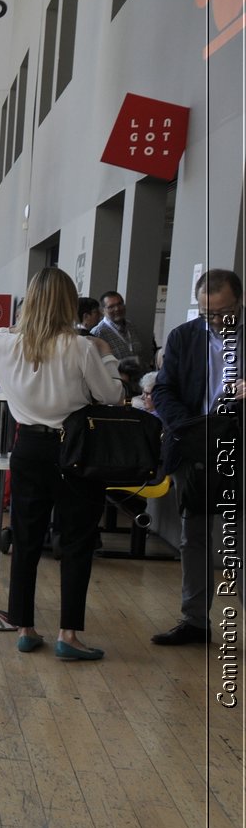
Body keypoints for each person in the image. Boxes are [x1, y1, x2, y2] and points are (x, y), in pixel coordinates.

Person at [0, 266, 122, 659]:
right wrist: (109, 357)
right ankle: (68, 634)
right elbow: (111, 395)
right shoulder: (82, 348)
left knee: (25, 537)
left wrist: (12, 331)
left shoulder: (3, 343)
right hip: (74, 450)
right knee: (76, 540)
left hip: (28, 448)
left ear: (29, 302)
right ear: (70, 303)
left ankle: (24, 626)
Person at [149, 269, 243, 646]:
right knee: (195, 536)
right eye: (208, 313)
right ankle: (195, 621)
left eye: (224, 312)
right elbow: (166, 389)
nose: (217, 320)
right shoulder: (183, 337)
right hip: (196, 446)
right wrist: (186, 427)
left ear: (240, 301)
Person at [93, 290, 154, 370]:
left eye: (120, 304)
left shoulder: (131, 326)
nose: (117, 309)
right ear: (103, 311)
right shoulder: (98, 333)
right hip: (115, 380)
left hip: (138, 378)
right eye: (111, 307)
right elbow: (97, 366)